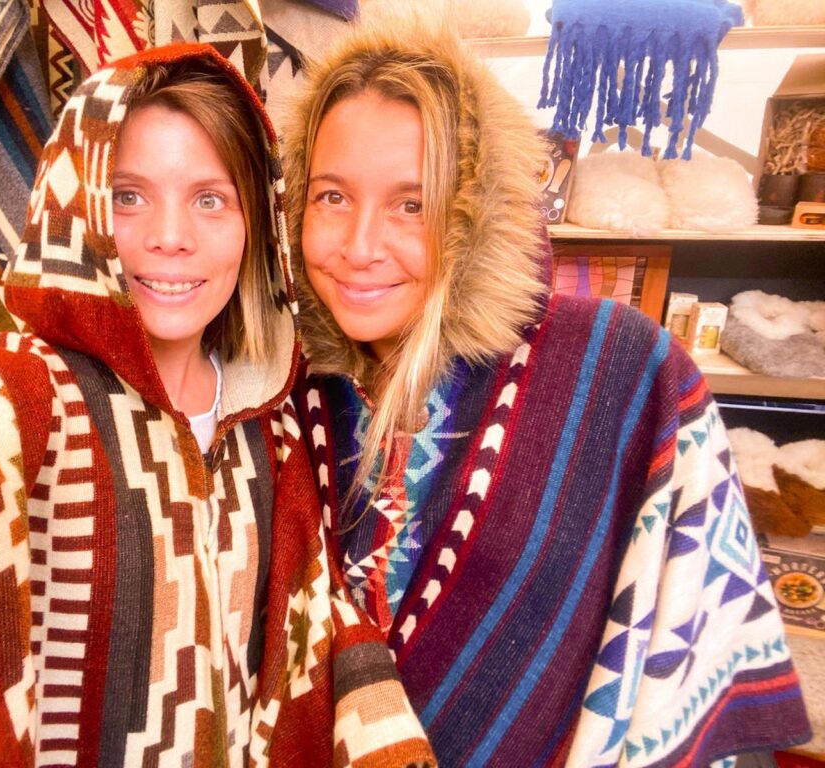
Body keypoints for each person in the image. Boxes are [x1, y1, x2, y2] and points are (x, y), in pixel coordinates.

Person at [0, 45, 434, 767]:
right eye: (128, 196)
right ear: (77, 208)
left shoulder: (273, 423)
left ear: (254, 224)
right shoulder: (30, 394)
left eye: (209, 199)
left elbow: (314, 621)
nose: (170, 237)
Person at [285, 11, 811, 767]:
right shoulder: (281, 390)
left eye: (412, 202)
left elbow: (692, 649)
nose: (360, 246)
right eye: (332, 196)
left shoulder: (619, 371)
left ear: (478, 213)